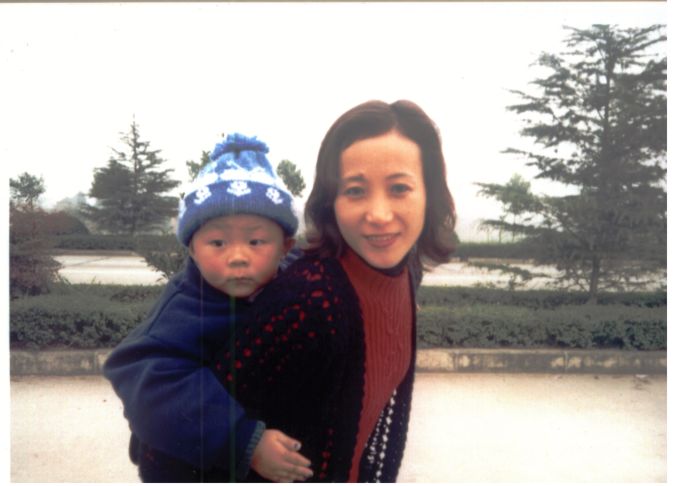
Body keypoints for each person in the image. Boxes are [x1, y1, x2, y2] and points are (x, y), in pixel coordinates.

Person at [209, 100, 456, 482]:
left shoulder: (406, 272)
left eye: (399, 188)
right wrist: (245, 447)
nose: (378, 214)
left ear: (429, 193)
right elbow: (183, 437)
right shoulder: (309, 300)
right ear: (331, 202)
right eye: (355, 191)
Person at [103, 133, 314, 482]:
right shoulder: (185, 307)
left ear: (285, 246)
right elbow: (146, 384)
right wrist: (244, 441)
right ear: (192, 249)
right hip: (186, 466)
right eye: (217, 242)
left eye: (256, 241)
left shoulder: (297, 278)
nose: (237, 256)